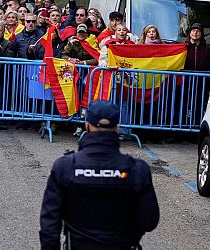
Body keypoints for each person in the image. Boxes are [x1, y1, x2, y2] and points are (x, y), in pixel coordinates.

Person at [39, 102, 159, 250]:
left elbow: (50, 223)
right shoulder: (136, 169)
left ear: (87, 126)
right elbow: (149, 221)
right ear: (116, 128)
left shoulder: (65, 166)